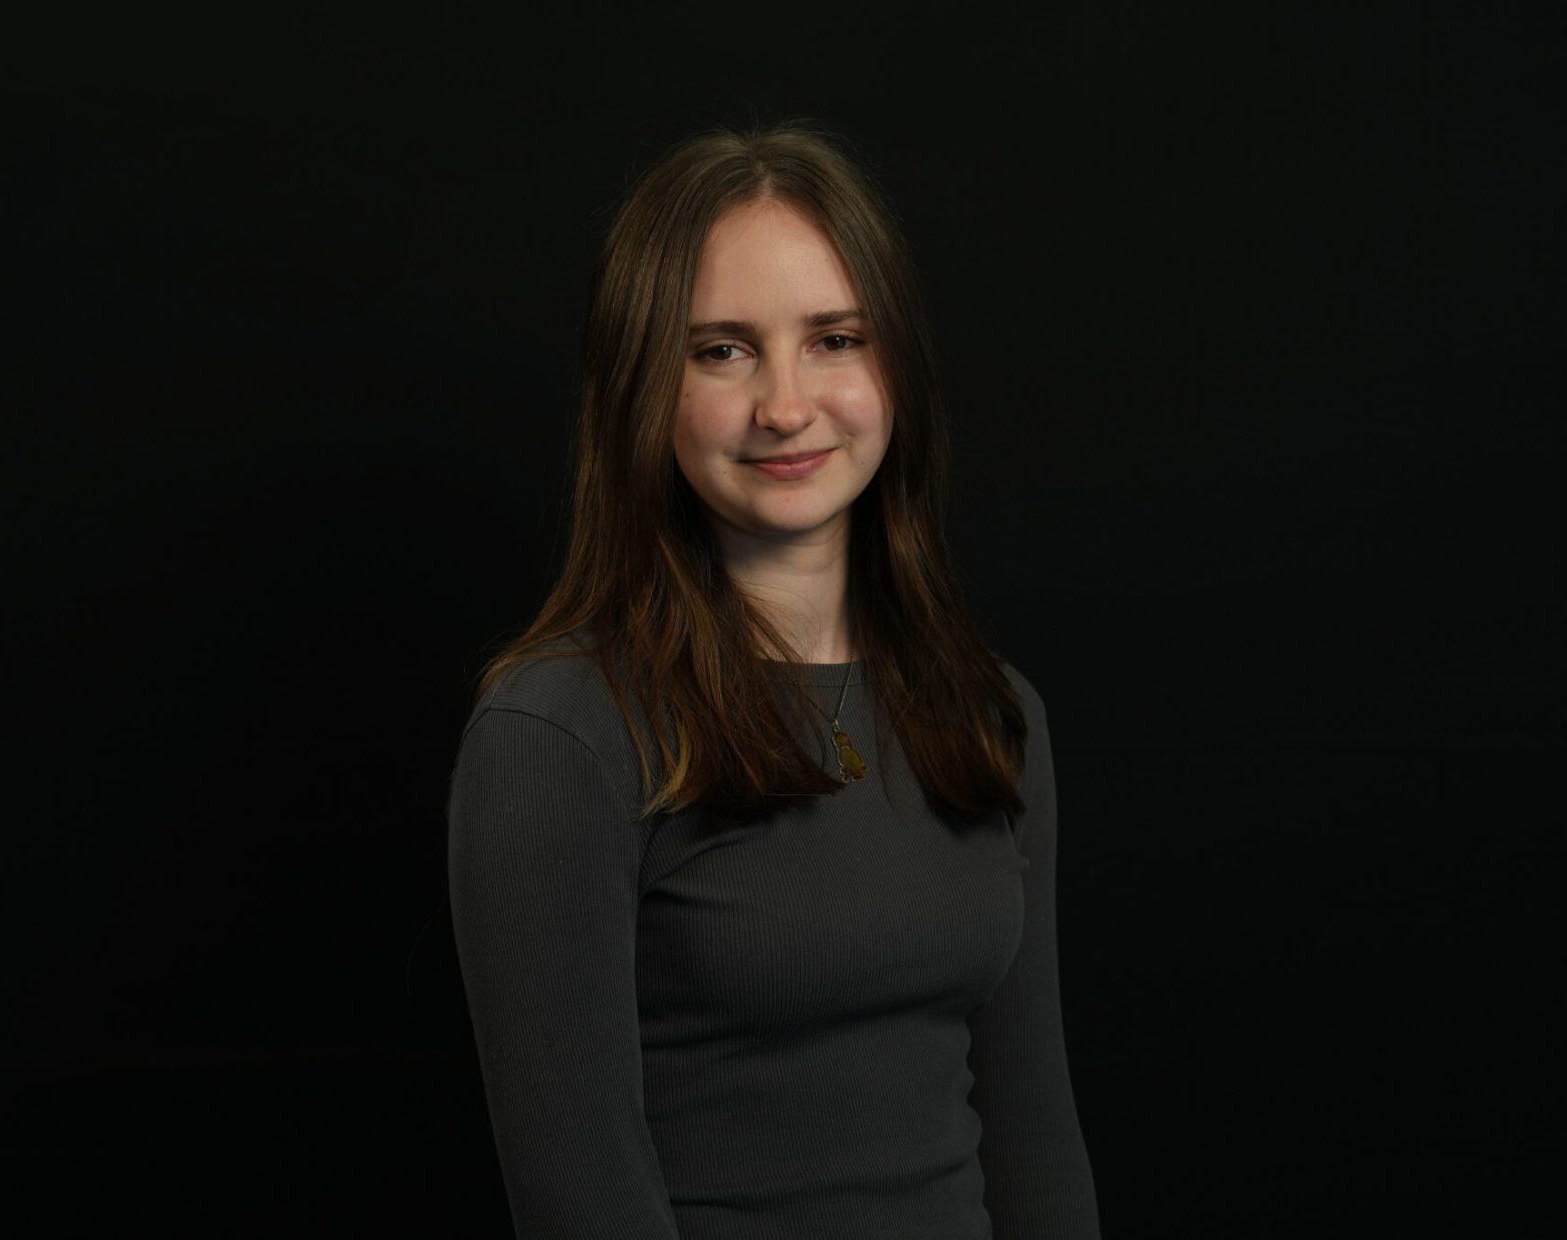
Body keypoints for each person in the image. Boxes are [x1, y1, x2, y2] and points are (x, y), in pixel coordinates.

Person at [446, 119, 1101, 1239]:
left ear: (893, 360)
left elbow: (1033, 1132)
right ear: (641, 388)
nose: (786, 406)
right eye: (721, 350)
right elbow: (581, 1200)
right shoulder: (558, 733)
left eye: (834, 338)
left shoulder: (992, 714)